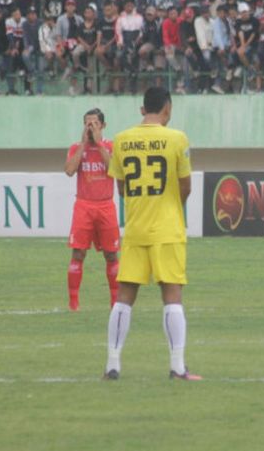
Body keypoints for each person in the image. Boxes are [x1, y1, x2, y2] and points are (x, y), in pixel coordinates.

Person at [103, 87, 201, 381]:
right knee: (172, 295)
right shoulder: (177, 139)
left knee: (124, 297)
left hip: (135, 228)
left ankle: (112, 365)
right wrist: (168, 206)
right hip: (167, 228)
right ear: (167, 109)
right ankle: (177, 367)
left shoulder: (121, 140)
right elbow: (186, 187)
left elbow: (121, 188)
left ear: (142, 108)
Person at [64, 108, 120, 312]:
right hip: (84, 205)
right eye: (87, 123)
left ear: (103, 126)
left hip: (106, 206)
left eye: (94, 123)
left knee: (112, 255)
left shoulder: (112, 146)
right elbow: (69, 170)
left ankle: (115, 302)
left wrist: (98, 144)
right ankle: (73, 302)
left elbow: (114, 169)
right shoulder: (76, 148)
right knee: (78, 253)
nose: (90, 126)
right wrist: (84, 144)